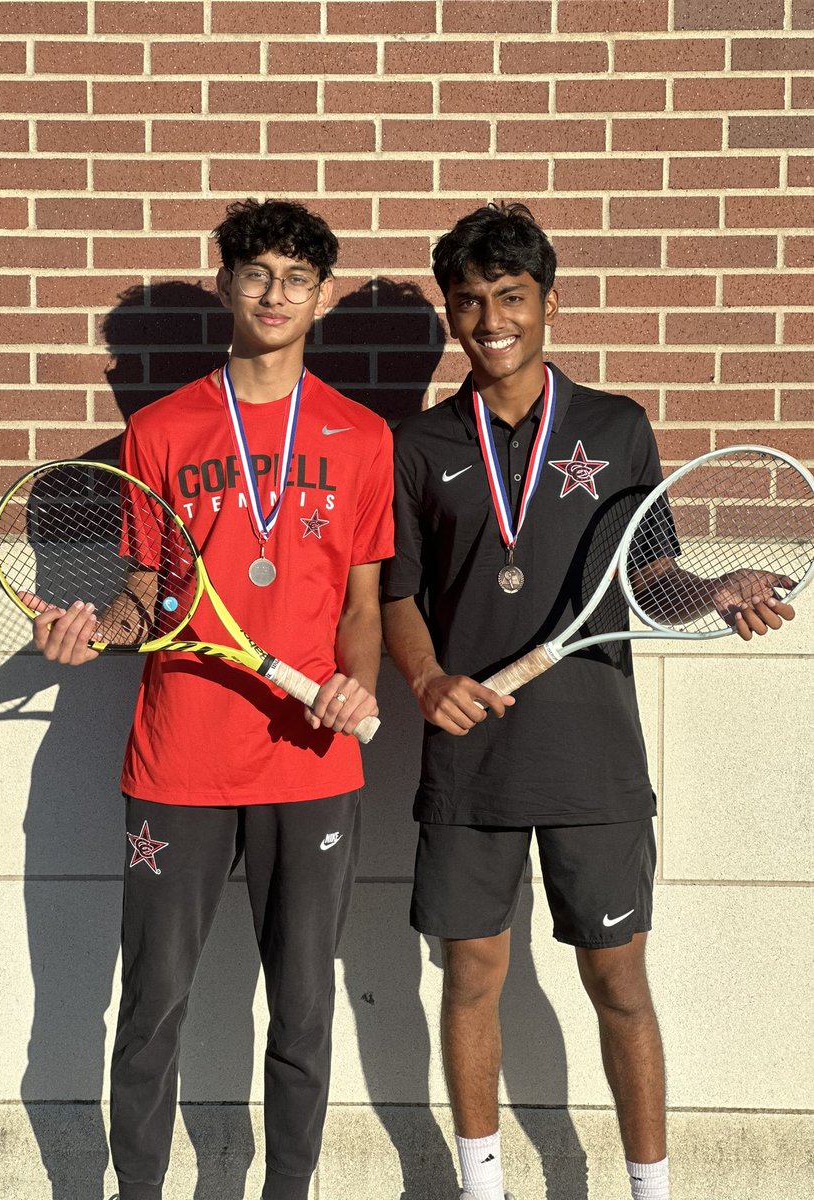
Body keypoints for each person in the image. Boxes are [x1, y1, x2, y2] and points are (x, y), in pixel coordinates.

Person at [380, 202, 794, 1200]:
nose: (490, 319)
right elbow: (396, 595)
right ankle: (484, 1189)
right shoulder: (419, 443)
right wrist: (427, 682)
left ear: (549, 302)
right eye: (469, 300)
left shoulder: (618, 426)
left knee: (618, 985)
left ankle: (651, 1190)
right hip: (469, 759)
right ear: (451, 312)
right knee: (470, 979)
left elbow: (654, 581)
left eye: (510, 296)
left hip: (592, 759)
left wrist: (716, 592)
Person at [31, 197, 395, 1200]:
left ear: (320, 297)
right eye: (255, 273)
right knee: (151, 1005)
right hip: (179, 754)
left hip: (310, 761)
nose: (274, 294)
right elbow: (146, 598)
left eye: (295, 278)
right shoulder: (160, 428)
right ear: (228, 283)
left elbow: (362, 604)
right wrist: (94, 628)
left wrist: (356, 676)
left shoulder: (363, 437)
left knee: (307, 1007)